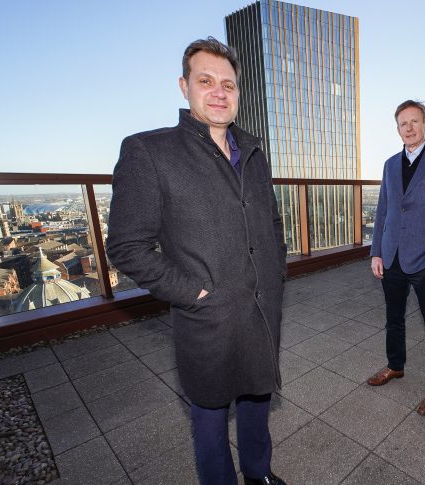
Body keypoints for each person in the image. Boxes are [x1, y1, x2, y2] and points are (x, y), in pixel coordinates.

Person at [107, 37, 287, 485]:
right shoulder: (150, 151)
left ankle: (259, 474)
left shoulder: (254, 152)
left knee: (257, 402)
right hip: (208, 318)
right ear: (184, 86)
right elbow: (126, 246)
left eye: (228, 84)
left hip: (262, 311)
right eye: (206, 81)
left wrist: (276, 271)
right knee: (208, 419)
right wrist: (194, 293)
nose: (219, 92)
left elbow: (273, 222)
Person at [366, 100, 425, 416]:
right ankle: (396, 366)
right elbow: (384, 210)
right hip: (391, 256)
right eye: (403, 123)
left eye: (414, 121)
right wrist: (377, 251)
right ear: (397, 129)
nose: (409, 128)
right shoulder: (390, 164)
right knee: (393, 320)